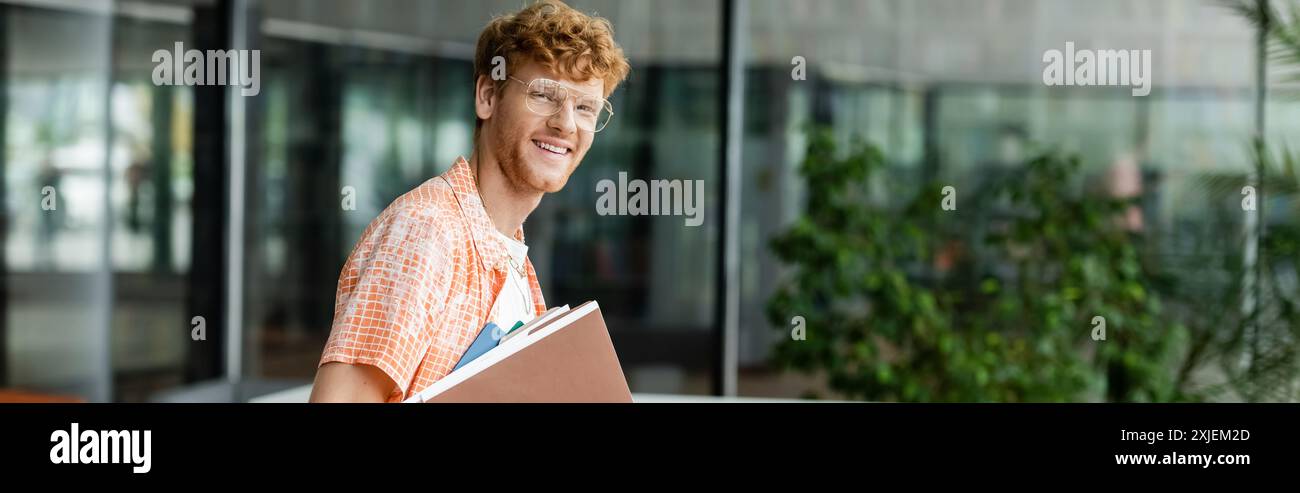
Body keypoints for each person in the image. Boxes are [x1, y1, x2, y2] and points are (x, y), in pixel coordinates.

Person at [309, 0, 630, 402]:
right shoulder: (426, 231)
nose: (565, 123)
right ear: (488, 96)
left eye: (585, 107)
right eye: (545, 95)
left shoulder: (510, 259)